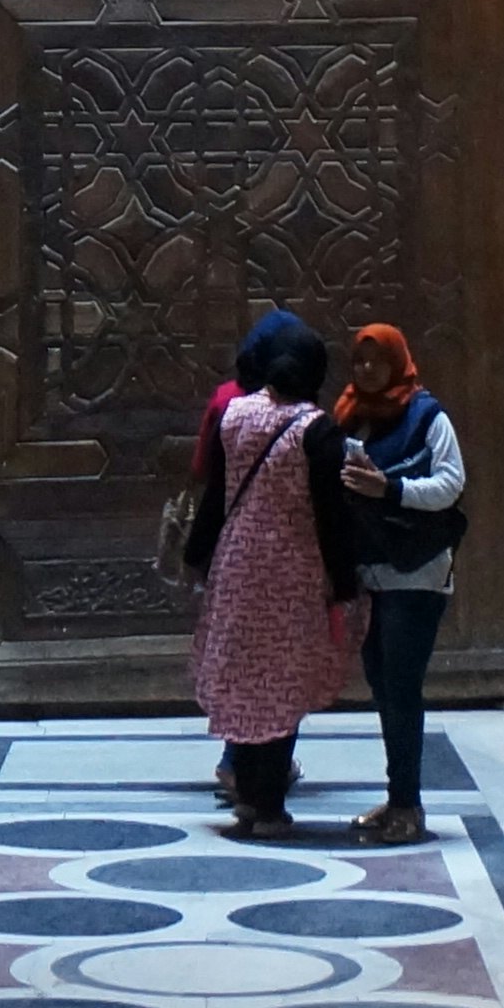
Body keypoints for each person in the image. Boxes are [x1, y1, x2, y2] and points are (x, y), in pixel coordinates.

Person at [184, 314, 357, 840]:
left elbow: (216, 495)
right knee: (282, 686)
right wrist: (344, 577)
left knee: (246, 679)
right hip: (292, 571)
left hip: (238, 565)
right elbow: (331, 513)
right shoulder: (317, 430)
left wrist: (198, 554)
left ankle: (249, 798)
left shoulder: (234, 415)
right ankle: (270, 805)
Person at [332, 321, 466, 844]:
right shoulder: (350, 418)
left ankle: (409, 805)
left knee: (403, 687)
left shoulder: (426, 415)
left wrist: (390, 489)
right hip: (372, 569)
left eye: (376, 361)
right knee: (383, 685)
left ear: (397, 362)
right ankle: (397, 797)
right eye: (359, 361)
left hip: (416, 569)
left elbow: (450, 483)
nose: (367, 370)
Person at [185, 307, 307, 806]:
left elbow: (204, 472)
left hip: (230, 547)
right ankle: (259, 768)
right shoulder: (297, 408)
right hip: (284, 554)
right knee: (282, 661)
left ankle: (241, 759)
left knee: (240, 656)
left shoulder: (226, 400)